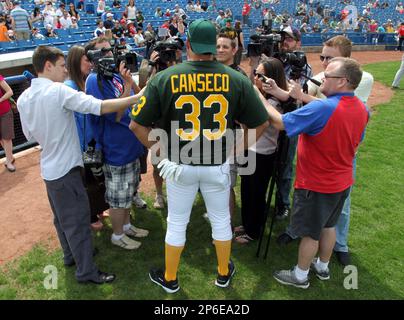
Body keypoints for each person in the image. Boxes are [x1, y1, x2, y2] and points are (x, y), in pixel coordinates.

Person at [129, 19, 269, 293]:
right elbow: (261, 123)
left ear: (189, 44)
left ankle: (170, 278)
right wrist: (235, 151)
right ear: (213, 47)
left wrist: (161, 156)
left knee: (177, 222)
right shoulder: (236, 78)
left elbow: (136, 124)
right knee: (220, 219)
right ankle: (222, 273)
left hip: (180, 164)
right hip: (217, 163)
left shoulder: (164, 78)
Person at [16, 45, 144, 284]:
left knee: (61, 219)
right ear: (48, 66)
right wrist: (136, 97)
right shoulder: (58, 92)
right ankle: (86, 271)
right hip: (66, 169)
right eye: (62, 66)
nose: (65, 71)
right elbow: (100, 107)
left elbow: (30, 136)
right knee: (77, 222)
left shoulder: (24, 97)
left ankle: (69, 256)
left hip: (49, 169)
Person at [260, 57, 369, 289]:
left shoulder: (322, 107)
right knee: (329, 226)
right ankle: (322, 265)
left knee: (310, 233)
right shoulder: (362, 108)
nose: (321, 78)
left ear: (342, 82)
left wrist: (261, 98)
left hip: (317, 183)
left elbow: (280, 122)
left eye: (327, 75)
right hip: (342, 181)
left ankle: (300, 276)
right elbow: (356, 139)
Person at [282, 36, 374, 267]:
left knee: (324, 221)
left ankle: (304, 271)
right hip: (328, 158)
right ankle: (321, 263)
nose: (323, 64)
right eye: (322, 57)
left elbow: (332, 109)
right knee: (327, 220)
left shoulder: (357, 79)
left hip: (330, 165)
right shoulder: (332, 83)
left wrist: (305, 98)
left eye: (329, 58)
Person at [85, 37, 149, 250]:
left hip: (129, 145)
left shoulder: (113, 77)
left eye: (108, 50)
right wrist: (128, 85)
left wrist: (128, 82)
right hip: (116, 149)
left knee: (129, 191)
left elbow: (135, 102)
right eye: (102, 52)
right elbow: (115, 115)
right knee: (118, 198)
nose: (109, 55)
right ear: (93, 57)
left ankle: (127, 225)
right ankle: (118, 234)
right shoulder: (94, 80)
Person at [235, 58, 287, 244]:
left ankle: (253, 231)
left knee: (256, 193)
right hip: (250, 150)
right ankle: (247, 224)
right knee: (247, 190)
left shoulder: (275, 103)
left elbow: (256, 124)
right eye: (255, 74)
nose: (255, 78)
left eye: (260, 75)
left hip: (262, 154)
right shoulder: (264, 99)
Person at [65, 45, 106, 232]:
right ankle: (89, 215)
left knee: (96, 178)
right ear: (76, 61)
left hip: (93, 142)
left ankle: (96, 210)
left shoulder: (86, 82)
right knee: (87, 182)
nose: (90, 64)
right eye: (86, 60)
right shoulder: (69, 87)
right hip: (82, 146)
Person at [215, 33, 247, 226]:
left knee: (226, 183)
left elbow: (248, 109)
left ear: (234, 50)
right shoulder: (210, 71)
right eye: (217, 46)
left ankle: (225, 225)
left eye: (225, 47)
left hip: (231, 135)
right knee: (213, 179)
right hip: (211, 134)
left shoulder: (239, 75)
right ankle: (216, 215)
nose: (220, 50)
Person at [0, 74, 15, 172]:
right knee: (1, 138)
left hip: (4, 111)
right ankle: (10, 157)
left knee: (7, 137)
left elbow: (10, 92)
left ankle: (9, 161)